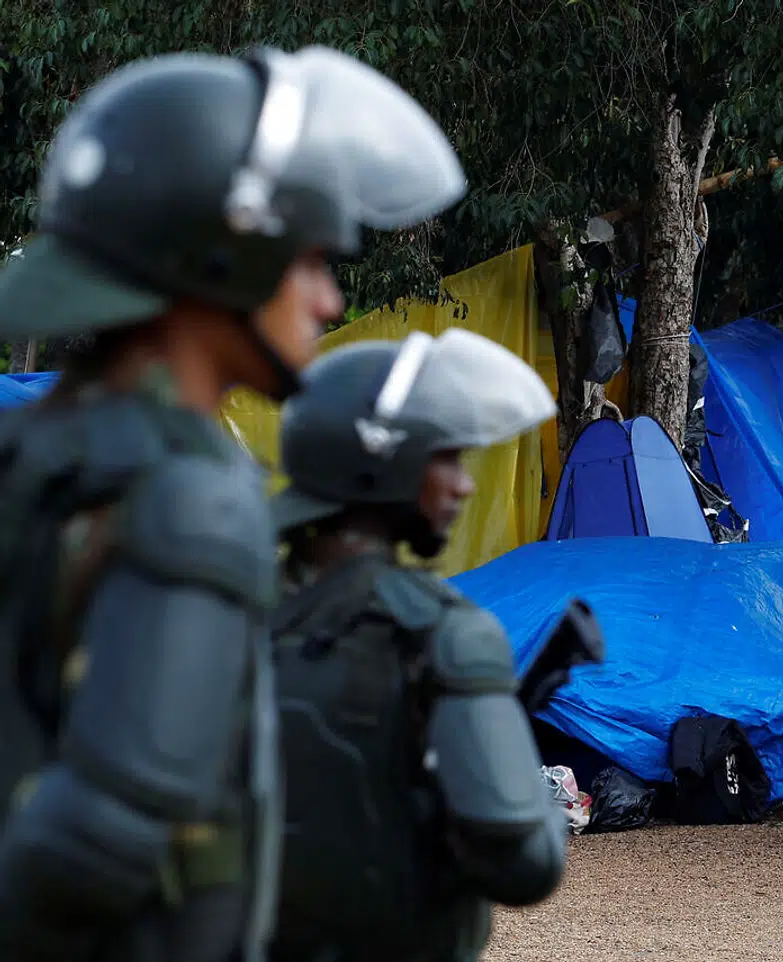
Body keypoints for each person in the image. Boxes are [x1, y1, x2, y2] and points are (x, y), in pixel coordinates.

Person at [0, 45, 464, 962]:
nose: (331, 301)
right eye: (313, 260)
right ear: (224, 250)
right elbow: (103, 838)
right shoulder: (193, 491)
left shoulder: (38, 450)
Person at [266, 330, 567, 962]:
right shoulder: (445, 633)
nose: (463, 486)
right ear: (385, 460)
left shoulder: (223, 610)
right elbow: (526, 866)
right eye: (447, 459)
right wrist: (526, 784)